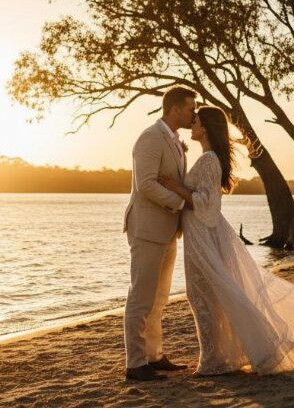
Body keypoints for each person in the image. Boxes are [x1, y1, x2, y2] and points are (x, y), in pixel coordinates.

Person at [159, 106, 294, 375]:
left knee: (205, 294)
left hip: (203, 234)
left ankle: (215, 360)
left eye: (195, 121)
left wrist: (175, 187)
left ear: (205, 127)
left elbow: (205, 205)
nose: (190, 124)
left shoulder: (209, 160)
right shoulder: (210, 158)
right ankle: (218, 356)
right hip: (203, 232)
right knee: (210, 294)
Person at [122, 85, 197, 381]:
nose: (194, 114)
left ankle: (154, 356)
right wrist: (181, 203)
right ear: (175, 108)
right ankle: (135, 363)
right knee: (141, 297)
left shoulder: (176, 140)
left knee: (159, 298)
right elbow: (146, 184)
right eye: (191, 109)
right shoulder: (150, 138)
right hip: (147, 228)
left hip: (168, 230)